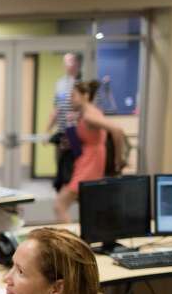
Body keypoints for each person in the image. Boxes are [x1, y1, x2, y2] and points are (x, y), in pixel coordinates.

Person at [52, 80, 127, 223]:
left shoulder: (89, 115)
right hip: (86, 160)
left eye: (73, 96)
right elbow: (89, 138)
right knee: (89, 207)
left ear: (85, 95)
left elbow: (117, 130)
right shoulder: (85, 114)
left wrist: (119, 159)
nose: (70, 100)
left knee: (60, 205)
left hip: (90, 163)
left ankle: (70, 244)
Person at [46, 53, 81, 193]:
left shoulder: (82, 83)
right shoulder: (60, 83)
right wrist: (47, 130)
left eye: (71, 61)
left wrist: (77, 116)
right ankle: (62, 197)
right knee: (61, 170)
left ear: (77, 63)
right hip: (62, 133)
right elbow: (56, 109)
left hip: (77, 135)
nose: (68, 65)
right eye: (65, 62)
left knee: (74, 170)